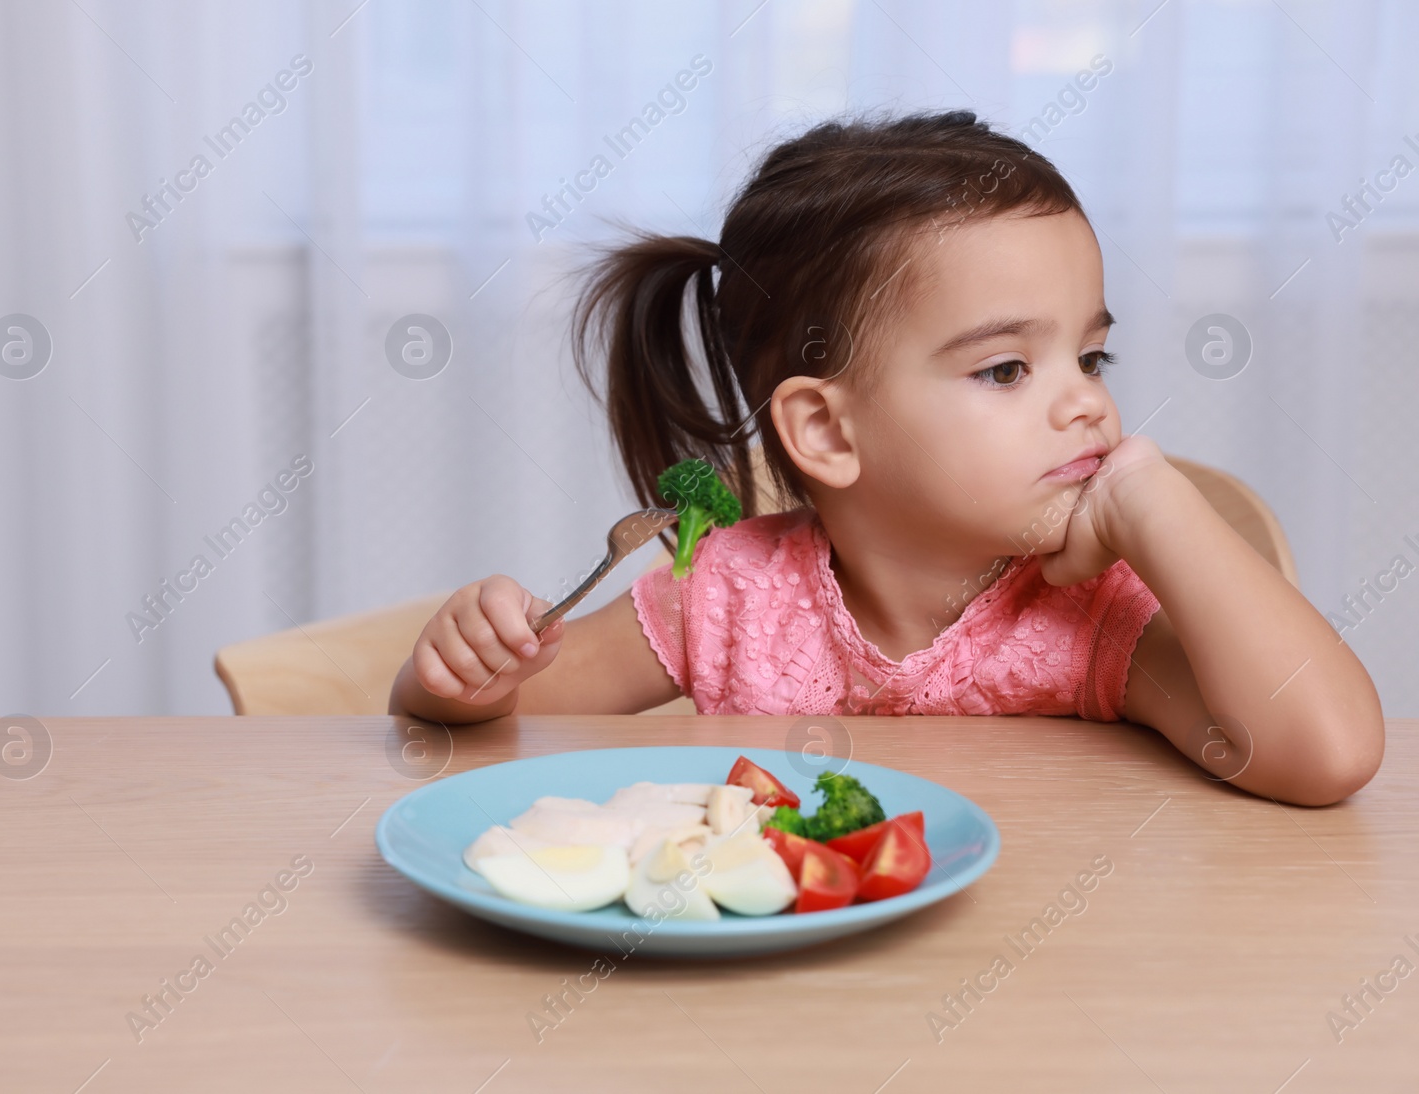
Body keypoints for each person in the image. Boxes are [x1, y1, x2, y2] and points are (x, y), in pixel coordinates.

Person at [388, 109, 1383, 806]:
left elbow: (1326, 754)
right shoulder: (726, 595)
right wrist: (455, 681)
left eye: (1089, 354)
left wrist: (1159, 508)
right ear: (824, 430)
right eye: (1004, 368)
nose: (1084, 399)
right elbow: (486, 739)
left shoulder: (1086, 616)